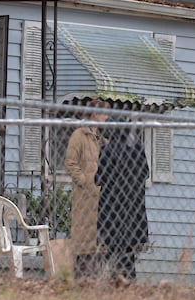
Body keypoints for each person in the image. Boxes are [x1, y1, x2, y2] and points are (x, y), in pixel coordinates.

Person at [95, 119, 149, 283]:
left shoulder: (107, 150)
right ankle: (129, 279)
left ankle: (117, 279)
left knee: (113, 245)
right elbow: (146, 174)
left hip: (112, 206)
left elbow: (98, 179)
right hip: (133, 206)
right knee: (128, 247)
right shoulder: (138, 149)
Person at [64, 99, 110, 277]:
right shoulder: (79, 135)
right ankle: (83, 276)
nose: (106, 117)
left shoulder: (101, 137)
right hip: (84, 196)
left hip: (101, 196)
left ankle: (97, 276)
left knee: (99, 236)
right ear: (95, 114)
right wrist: (83, 181)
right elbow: (70, 162)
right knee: (84, 237)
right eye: (104, 113)